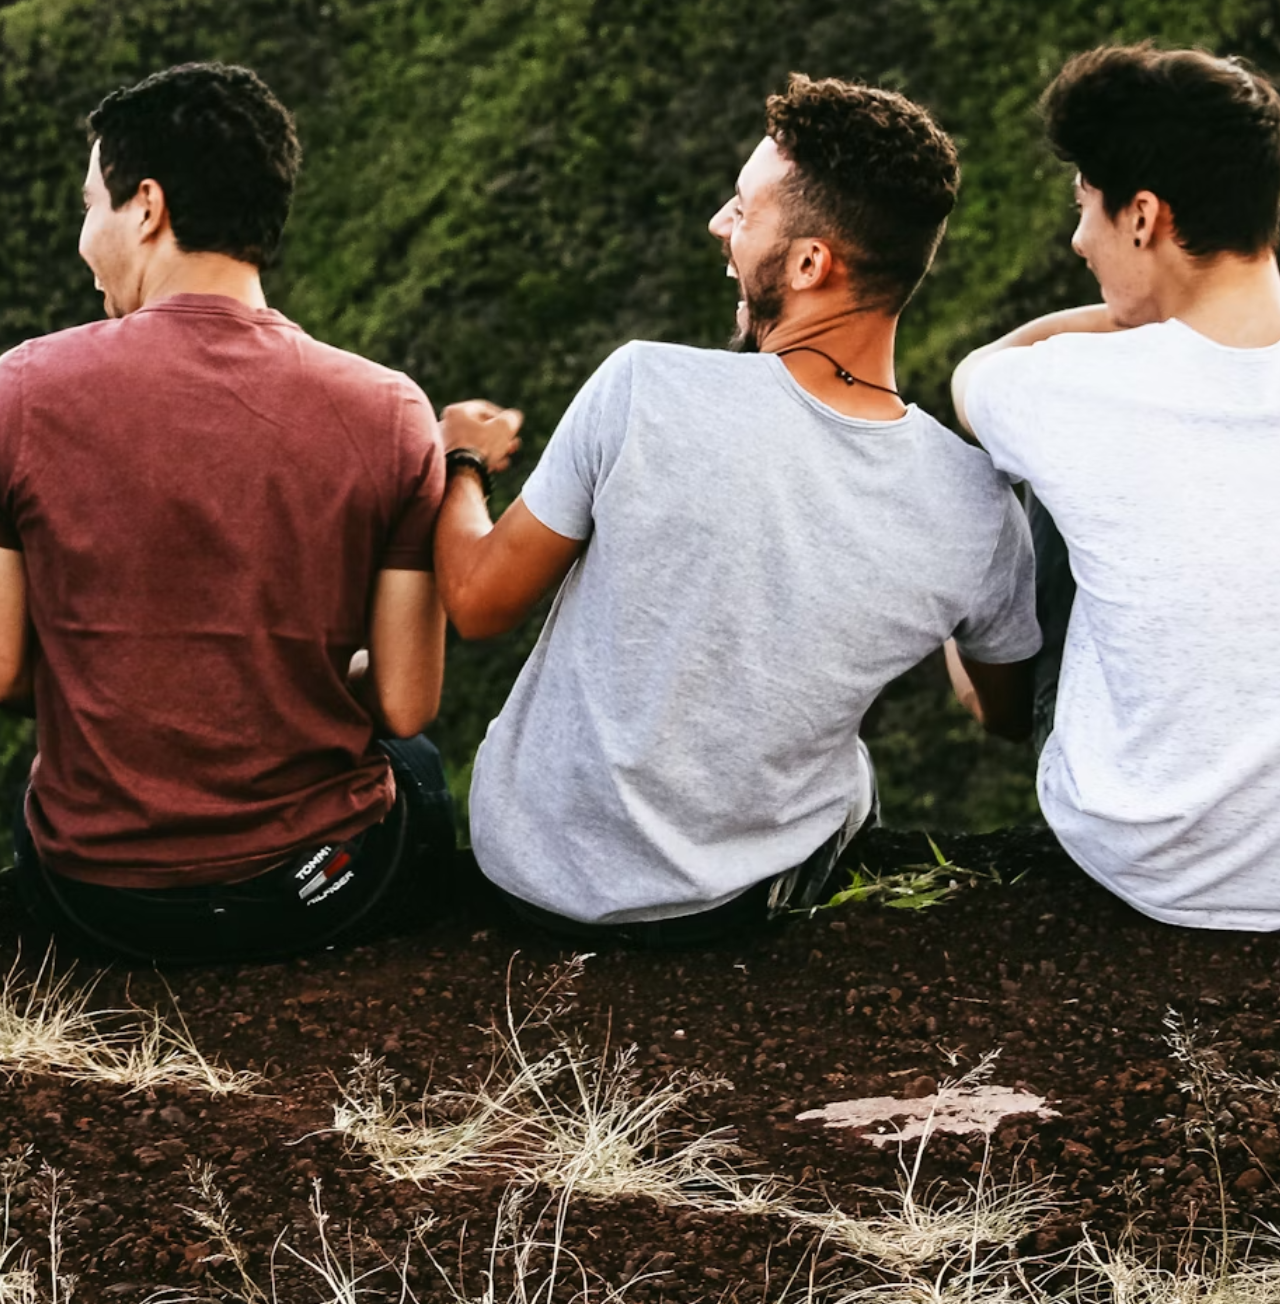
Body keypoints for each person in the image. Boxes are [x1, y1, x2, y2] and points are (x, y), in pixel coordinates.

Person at [433, 73, 1041, 945]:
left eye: (744, 210)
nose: (720, 223)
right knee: (851, 775)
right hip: (729, 907)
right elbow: (1003, 714)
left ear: (809, 264)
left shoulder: (642, 386)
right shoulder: (977, 505)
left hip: (529, 874)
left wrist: (461, 460)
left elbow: (477, 603)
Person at [0, 61, 479, 964]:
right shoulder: (391, 411)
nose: (84, 237)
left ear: (147, 207)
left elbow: (3, 667)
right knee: (414, 769)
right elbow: (406, 702)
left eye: (90, 206)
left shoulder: (20, 392)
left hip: (97, 899)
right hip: (314, 891)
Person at [952, 43, 1280, 932]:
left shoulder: (1071, 387)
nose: (1076, 241)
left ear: (1143, 216)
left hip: (1147, 859)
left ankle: (997, 705)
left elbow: (975, 377)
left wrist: (1129, 320)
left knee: (1029, 481)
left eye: (1084, 206)